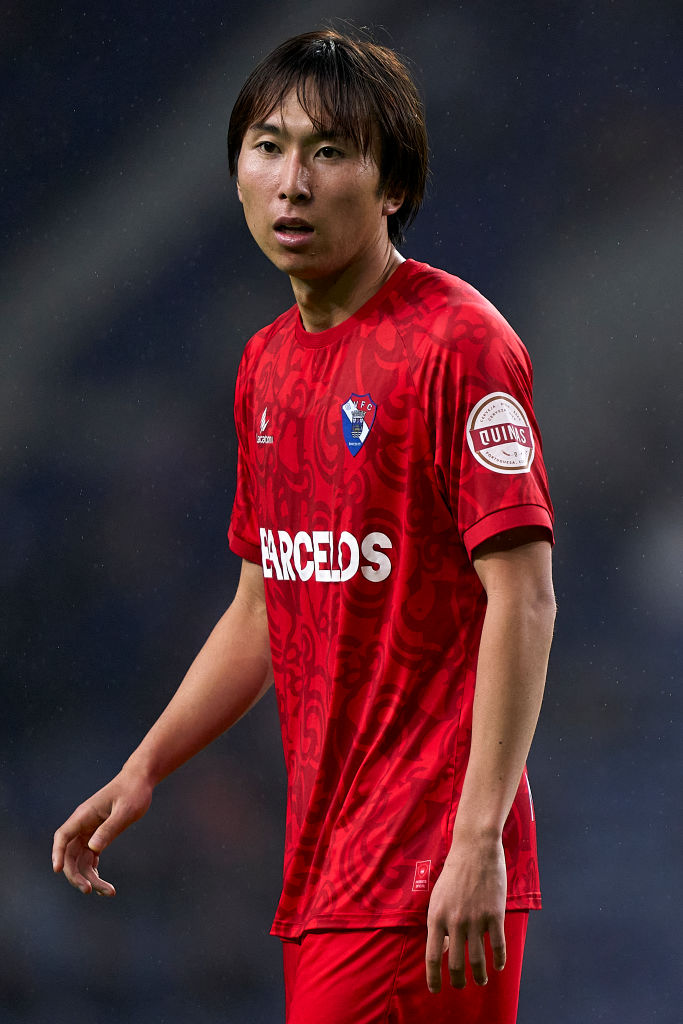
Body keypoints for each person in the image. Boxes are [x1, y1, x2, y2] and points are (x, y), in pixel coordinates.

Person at [52, 29, 556, 1024]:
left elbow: (524, 597)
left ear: (392, 184)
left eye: (329, 152)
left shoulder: (458, 345)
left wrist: (474, 841)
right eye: (268, 147)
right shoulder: (265, 365)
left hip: (422, 869)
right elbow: (261, 606)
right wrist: (146, 766)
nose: (292, 182)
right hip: (328, 867)